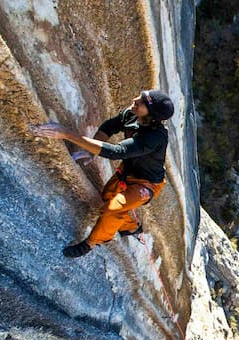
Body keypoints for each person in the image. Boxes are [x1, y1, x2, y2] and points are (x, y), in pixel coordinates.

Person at [32, 90, 175, 257]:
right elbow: (110, 126)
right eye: (140, 96)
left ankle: (91, 243)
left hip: (146, 184)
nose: (135, 100)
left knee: (113, 208)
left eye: (142, 102)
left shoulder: (156, 137)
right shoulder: (132, 114)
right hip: (126, 174)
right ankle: (130, 227)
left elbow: (117, 151)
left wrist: (67, 134)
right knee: (107, 199)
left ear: (151, 116)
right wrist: (91, 151)